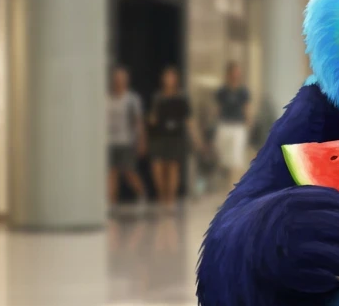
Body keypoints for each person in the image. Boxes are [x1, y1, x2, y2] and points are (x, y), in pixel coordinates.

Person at [148, 66, 204, 207]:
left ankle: (170, 200)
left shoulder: (182, 98)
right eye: (166, 76)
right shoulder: (158, 97)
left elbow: (189, 120)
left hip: (176, 137)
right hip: (159, 136)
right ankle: (162, 196)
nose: (169, 80)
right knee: (158, 168)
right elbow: (153, 118)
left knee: (173, 167)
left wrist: (197, 139)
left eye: (171, 76)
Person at [106, 67, 147, 208]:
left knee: (129, 171)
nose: (118, 81)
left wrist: (141, 140)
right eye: (116, 78)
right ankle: (111, 203)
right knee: (112, 173)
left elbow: (138, 121)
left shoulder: (132, 99)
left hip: (126, 140)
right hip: (110, 141)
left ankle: (142, 195)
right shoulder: (107, 97)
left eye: (121, 78)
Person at [212, 61, 253, 185]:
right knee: (223, 158)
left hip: (238, 127)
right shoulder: (222, 91)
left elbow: (247, 110)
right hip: (224, 125)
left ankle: (233, 186)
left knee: (236, 159)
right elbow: (217, 110)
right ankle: (225, 183)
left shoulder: (243, 92)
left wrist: (248, 127)